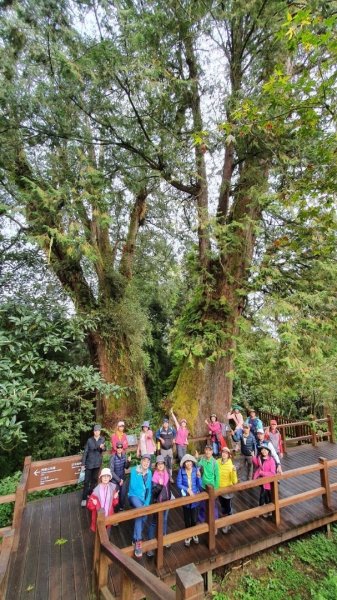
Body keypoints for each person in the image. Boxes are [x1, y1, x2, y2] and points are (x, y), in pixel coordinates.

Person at [128, 454, 153, 558]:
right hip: (133, 496)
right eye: (144, 461)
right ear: (141, 461)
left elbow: (149, 489)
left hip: (143, 499)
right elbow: (133, 486)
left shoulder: (150, 472)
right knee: (141, 511)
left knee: (144, 516)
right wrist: (140, 475)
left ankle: (134, 538)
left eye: (148, 462)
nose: (146, 463)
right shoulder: (134, 470)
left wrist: (146, 503)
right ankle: (138, 541)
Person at [146, 455, 171, 557]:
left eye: (162, 464)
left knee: (164, 520)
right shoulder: (154, 476)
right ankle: (150, 544)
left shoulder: (167, 474)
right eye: (159, 464)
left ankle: (164, 538)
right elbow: (154, 492)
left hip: (167, 500)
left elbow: (169, 487)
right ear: (156, 465)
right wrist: (159, 485)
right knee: (154, 523)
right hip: (157, 502)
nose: (160, 465)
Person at [176, 454, 203, 547]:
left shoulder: (196, 470)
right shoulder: (181, 471)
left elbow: (200, 486)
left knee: (194, 518)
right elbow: (178, 484)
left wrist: (199, 477)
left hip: (195, 497)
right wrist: (187, 489)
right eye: (187, 462)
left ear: (192, 462)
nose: (189, 463)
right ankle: (188, 535)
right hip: (185, 497)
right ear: (184, 463)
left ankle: (194, 533)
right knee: (187, 518)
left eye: (190, 461)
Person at [86, 468, 119, 532]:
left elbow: (114, 504)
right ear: (101, 478)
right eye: (104, 476)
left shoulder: (113, 489)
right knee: (99, 533)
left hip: (108, 516)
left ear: (110, 478)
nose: (105, 478)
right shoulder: (96, 491)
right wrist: (94, 503)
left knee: (107, 532)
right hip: (98, 517)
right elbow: (89, 506)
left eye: (107, 476)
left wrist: (115, 498)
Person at [81, 424, 106, 507]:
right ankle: (84, 498)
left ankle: (90, 494)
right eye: (95, 431)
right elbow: (85, 452)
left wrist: (102, 448)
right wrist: (83, 464)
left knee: (94, 480)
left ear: (100, 431)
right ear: (93, 432)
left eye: (98, 430)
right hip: (89, 463)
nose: (97, 432)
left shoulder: (102, 439)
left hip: (97, 463)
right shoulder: (89, 440)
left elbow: (103, 449)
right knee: (86, 481)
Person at [195, 443, 220, 524]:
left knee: (213, 505)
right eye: (206, 450)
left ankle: (214, 522)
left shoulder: (214, 462)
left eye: (209, 450)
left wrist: (216, 488)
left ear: (212, 452)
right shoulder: (203, 459)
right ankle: (201, 520)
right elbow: (198, 465)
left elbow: (217, 476)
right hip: (203, 485)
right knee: (202, 504)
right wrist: (196, 458)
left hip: (212, 486)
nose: (207, 452)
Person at [252, 443, 276, 517]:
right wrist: (253, 457)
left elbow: (272, 473)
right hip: (263, 482)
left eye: (265, 449)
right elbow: (258, 466)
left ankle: (269, 511)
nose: (264, 451)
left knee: (269, 497)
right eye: (262, 449)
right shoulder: (259, 457)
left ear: (268, 451)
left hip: (270, 483)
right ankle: (261, 511)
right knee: (262, 496)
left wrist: (262, 473)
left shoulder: (271, 460)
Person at [217, 447, 238, 533]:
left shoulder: (231, 465)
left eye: (226, 453)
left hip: (227, 490)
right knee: (223, 507)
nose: (224, 454)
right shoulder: (217, 462)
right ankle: (227, 520)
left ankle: (227, 524)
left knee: (227, 507)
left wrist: (234, 471)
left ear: (229, 455)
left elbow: (234, 481)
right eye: (223, 452)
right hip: (219, 489)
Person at [109, 441, 131, 510]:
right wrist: (119, 480)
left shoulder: (124, 455)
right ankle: (116, 508)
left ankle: (122, 507)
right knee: (116, 494)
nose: (119, 449)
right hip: (115, 479)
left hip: (122, 477)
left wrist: (129, 461)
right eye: (118, 447)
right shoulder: (113, 457)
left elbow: (126, 467)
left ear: (122, 448)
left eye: (121, 447)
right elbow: (111, 471)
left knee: (123, 493)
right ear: (116, 448)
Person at [155, 418, 176, 483]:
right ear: (163, 424)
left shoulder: (171, 429)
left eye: (166, 423)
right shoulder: (160, 429)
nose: (165, 424)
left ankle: (170, 477)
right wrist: (161, 439)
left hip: (170, 449)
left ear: (168, 423)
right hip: (163, 450)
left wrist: (174, 439)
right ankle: (164, 477)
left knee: (170, 464)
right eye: (164, 423)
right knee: (163, 464)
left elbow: (175, 433)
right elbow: (156, 435)